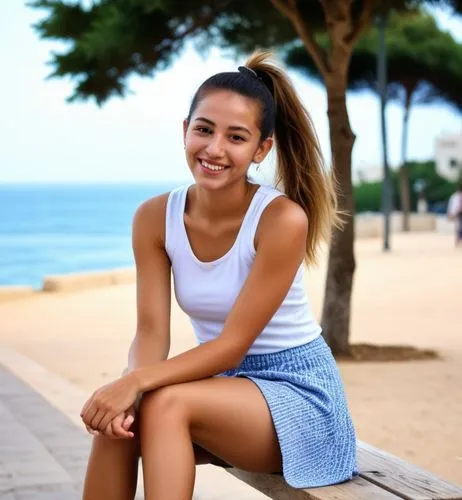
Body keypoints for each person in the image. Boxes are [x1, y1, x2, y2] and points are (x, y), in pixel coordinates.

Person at [81, 50, 357, 500]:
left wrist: (134, 382)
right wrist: (129, 387)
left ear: (261, 148)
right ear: (184, 131)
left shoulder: (280, 219)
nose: (214, 149)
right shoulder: (154, 217)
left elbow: (232, 346)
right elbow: (150, 330)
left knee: (160, 398)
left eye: (236, 137)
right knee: (122, 419)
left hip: (297, 395)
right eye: (204, 129)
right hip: (222, 388)